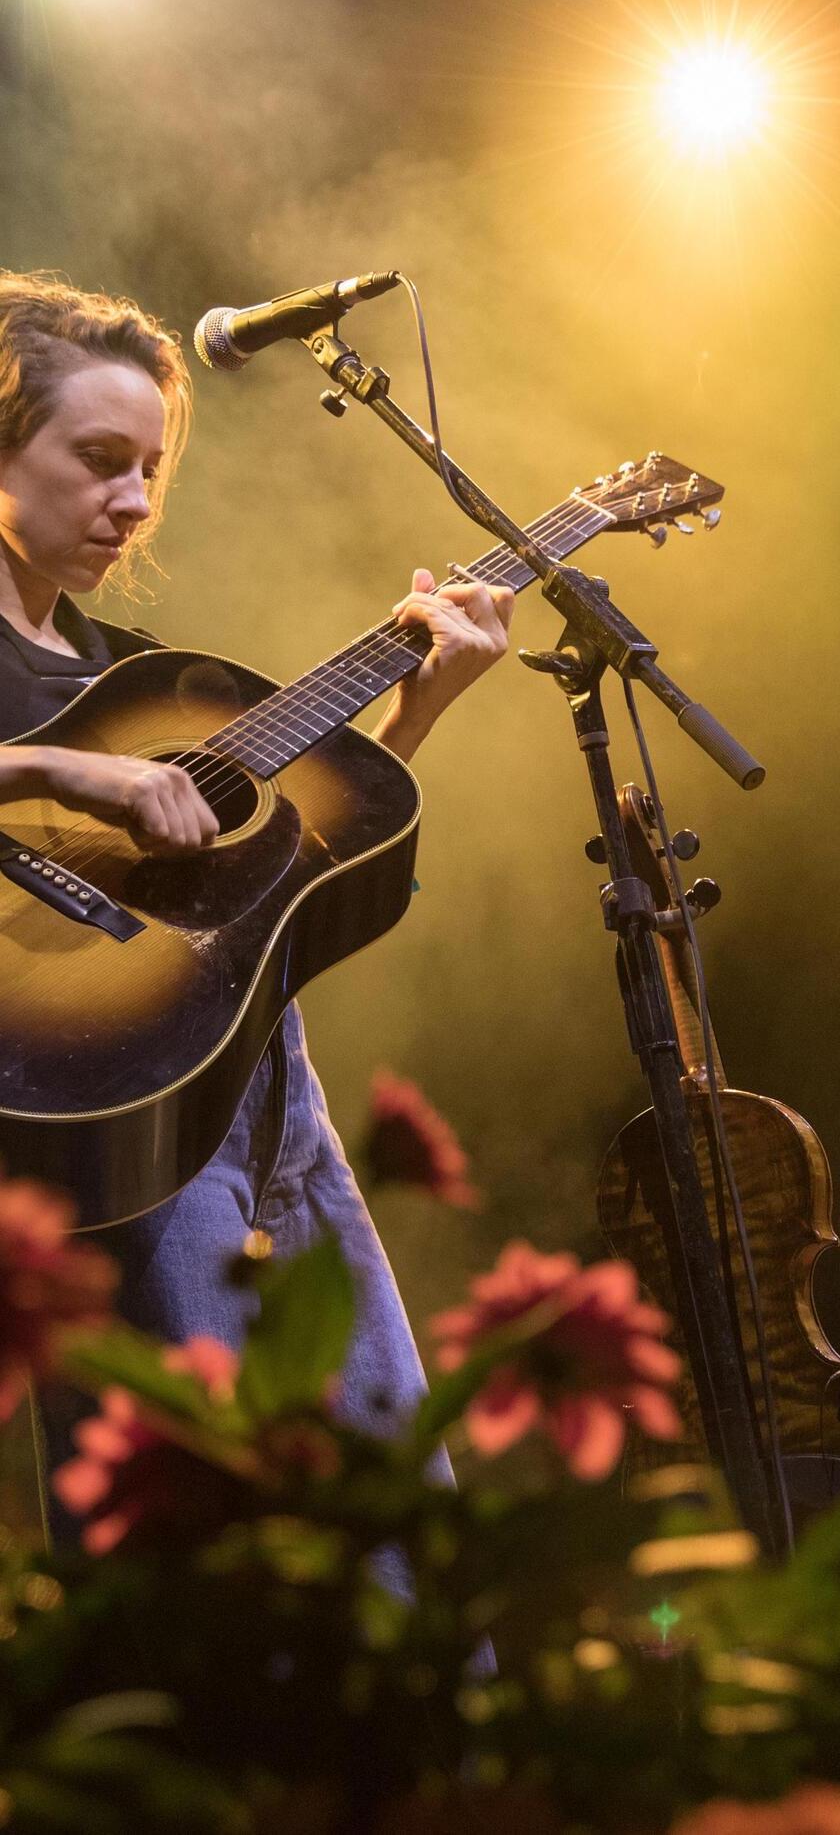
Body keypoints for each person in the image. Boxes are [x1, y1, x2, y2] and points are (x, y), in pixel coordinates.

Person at [0, 273, 514, 1501]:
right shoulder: (91, 716)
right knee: (221, 1526)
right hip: (120, 1125)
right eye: (99, 458)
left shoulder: (132, 673)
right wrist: (75, 773)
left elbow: (263, 872)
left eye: (152, 470)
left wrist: (419, 704)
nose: (132, 502)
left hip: (271, 1105)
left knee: (399, 1515)